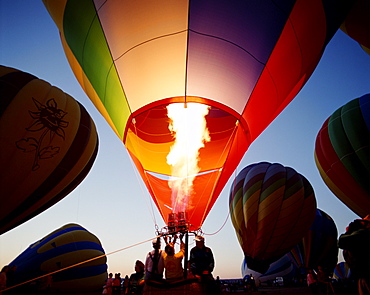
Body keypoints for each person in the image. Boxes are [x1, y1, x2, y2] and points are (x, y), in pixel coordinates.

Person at [338, 215, 370, 295]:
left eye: (362, 221)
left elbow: (341, 241)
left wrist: (349, 231)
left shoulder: (363, 233)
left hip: (365, 276)